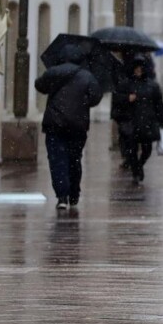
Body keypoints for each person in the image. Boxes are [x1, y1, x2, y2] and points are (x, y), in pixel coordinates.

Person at [35, 42, 104, 211]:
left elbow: (39, 85)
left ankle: (62, 196)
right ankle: (74, 193)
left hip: (55, 124)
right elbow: (96, 97)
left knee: (57, 160)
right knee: (74, 160)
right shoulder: (87, 76)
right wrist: (83, 102)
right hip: (77, 125)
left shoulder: (53, 73)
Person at [112, 55, 163, 185]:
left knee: (147, 150)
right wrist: (127, 98)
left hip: (147, 122)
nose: (138, 71)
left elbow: (158, 104)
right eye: (136, 68)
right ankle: (136, 172)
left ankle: (139, 165)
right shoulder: (126, 84)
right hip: (130, 122)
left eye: (140, 68)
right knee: (131, 150)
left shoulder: (152, 86)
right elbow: (116, 100)